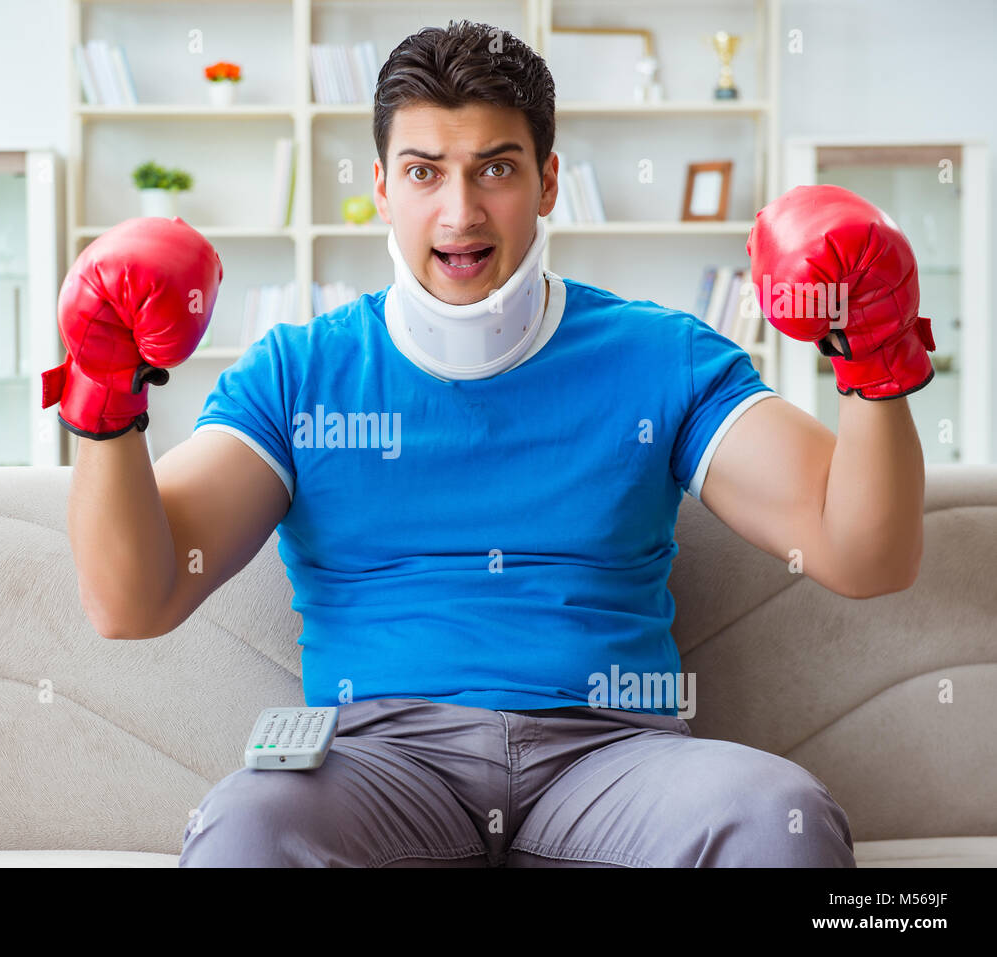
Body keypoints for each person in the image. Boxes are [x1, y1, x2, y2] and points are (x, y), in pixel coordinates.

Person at [47, 20, 930, 867]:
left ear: (547, 182)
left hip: (615, 759)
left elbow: (865, 554)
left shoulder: (661, 355)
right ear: (384, 190)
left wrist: (878, 358)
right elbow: (132, 602)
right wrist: (102, 390)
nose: (460, 212)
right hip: (378, 767)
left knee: (782, 818)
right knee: (246, 828)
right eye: (424, 172)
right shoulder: (299, 373)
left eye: (494, 169)